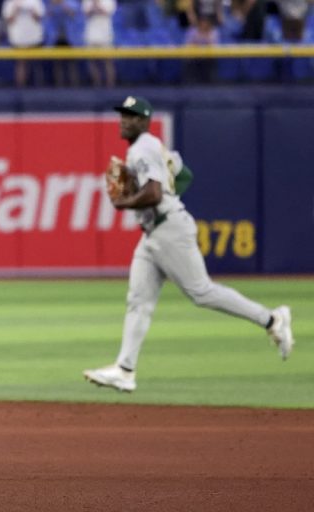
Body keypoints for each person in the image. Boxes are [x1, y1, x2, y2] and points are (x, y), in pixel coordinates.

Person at [83, 96, 295, 392]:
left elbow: (155, 194)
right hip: (154, 234)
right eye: (122, 115)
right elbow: (184, 175)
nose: (124, 120)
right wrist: (142, 192)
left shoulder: (143, 145)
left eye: (131, 116)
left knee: (202, 292)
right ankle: (125, 369)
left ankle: (272, 319)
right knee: (139, 301)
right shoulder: (152, 147)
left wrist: (125, 202)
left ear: (144, 121)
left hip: (169, 228)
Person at [1, 0, 46, 87]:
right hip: (18, 38)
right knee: (21, 63)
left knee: (37, 64)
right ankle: (21, 89)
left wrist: (31, 10)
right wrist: (16, 9)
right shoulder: (10, 2)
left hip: (34, 38)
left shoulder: (35, 1)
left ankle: (39, 89)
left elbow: (40, 18)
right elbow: (9, 20)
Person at [82, 0, 116, 87]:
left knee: (107, 60)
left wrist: (97, 4)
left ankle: (110, 85)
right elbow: (86, 13)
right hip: (91, 34)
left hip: (105, 34)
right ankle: (96, 83)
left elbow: (106, 12)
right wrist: (93, 5)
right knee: (92, 61)